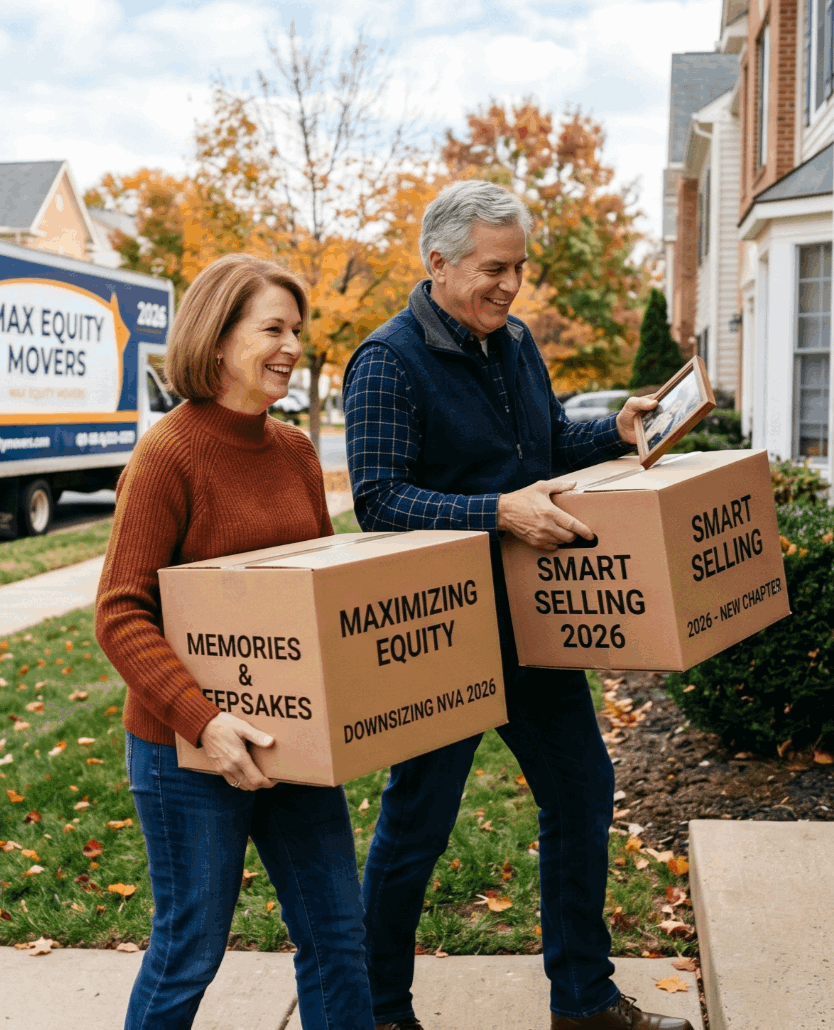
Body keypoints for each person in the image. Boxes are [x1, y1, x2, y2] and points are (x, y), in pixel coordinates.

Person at [343, 180, 690, 1030]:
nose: (510, 286)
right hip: (443, 632)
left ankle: (584, 1001)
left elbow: (537, 445)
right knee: (418, 825)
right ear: (439, 263)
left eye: (519, 269)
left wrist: (615, 429)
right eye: (495, 269)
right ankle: (379, 1010)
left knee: (580, 791)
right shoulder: (387, 362)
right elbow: (379, 501)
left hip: (535, 623)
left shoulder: (517, 342)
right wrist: (495, 511)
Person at [96, 254, 372, 1030]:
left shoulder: (294, 453)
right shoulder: (167, 456)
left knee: (338, 934)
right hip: (187, 746)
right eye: (272, 329)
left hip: (292, 736)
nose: (292, 347)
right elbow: (119, 613)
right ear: (218, 339)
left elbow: (315, 591)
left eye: (297, 330)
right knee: (190, 948)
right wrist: (206, 722)